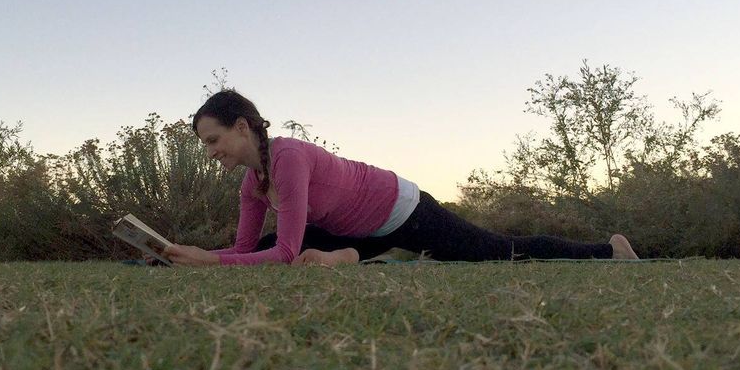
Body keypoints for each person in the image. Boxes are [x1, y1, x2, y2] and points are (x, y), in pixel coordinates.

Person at [160, 90, 639, 267]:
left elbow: (283, 255)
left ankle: (607, 250)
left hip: (400, 211)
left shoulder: (288, 160)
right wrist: (195, 256)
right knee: (274, 239)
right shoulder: (253, 183)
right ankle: (346, 258)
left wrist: (210, 262)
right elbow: (245, 251)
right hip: (353, 226)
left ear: (242, 127)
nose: (210, 152)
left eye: (212, 139)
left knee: (498, 252)